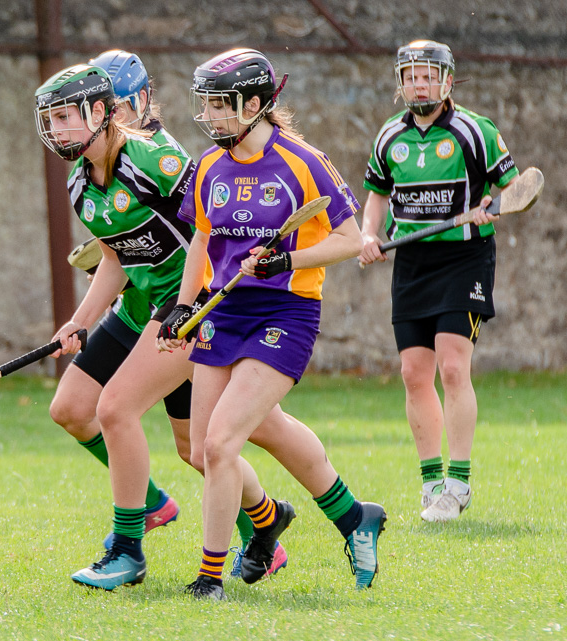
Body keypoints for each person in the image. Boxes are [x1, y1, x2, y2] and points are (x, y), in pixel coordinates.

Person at [35, 60, 287, 592]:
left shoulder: (156, 161)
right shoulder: (81, 182)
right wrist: (79, 321)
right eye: (50, 121)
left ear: (99, 112)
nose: (56, 131)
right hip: (143, 305)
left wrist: (202, 308)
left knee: (117, 410)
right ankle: (265, 523)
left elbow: (213, 232)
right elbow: (116, 256)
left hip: (187, 309)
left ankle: (128, 549)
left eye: (65, 118)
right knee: (159, 437)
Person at [159, 48, 387, 599]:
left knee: (219, 444)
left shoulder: (302, 161)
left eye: (221, 106)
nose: (210, 117)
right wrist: (184, 307)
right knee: (226, 441)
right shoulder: (210, 167)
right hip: (224, 309)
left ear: (255, 104)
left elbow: (349, 238)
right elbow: (203, 241)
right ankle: (354, 517)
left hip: (284, 312)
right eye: (206, 105)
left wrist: (287, 259)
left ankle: (210, 579)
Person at [358, 40, 518, 523]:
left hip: (464, 258)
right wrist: (368, 234)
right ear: (400, 83)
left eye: (428, 76)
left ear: (447, 81)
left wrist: (492, 206)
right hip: (411, 263)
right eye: (411, 76)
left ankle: (459, 483)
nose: (419, 84)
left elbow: (511, 188)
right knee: (413, 374)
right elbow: (376, 196)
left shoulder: (475, 131)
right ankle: (430, 481)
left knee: (452, 367)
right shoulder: (389, 136)